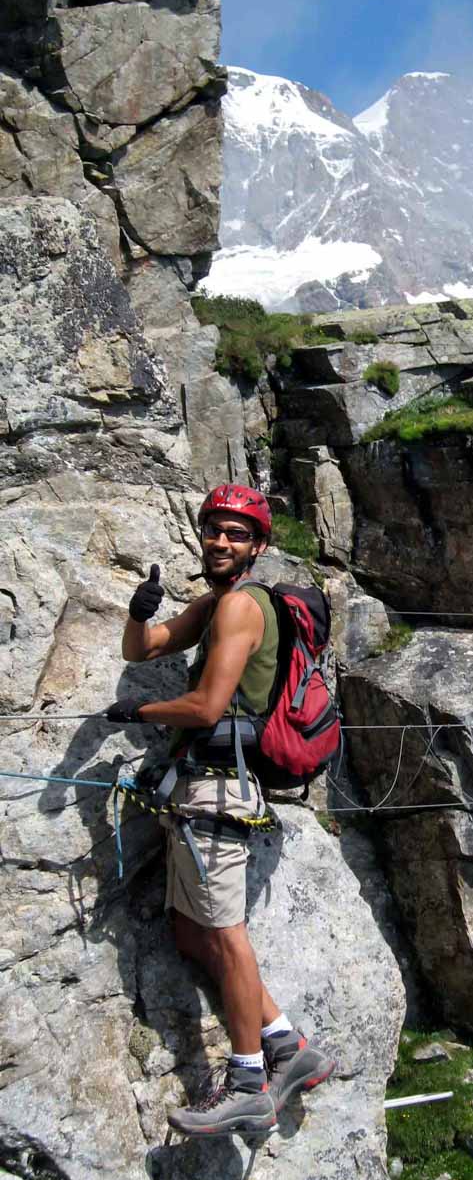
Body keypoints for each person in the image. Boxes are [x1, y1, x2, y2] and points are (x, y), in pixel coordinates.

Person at [106, 483, 334, 1136]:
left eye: (236, 534)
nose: (222, 542)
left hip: (218, 789)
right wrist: (138, 613)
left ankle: (248, 1082)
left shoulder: (242, 610)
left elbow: (206, 708)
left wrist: (139, 711)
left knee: (226, 936)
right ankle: (289, 1047)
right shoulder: (217, 602)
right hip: (200, 785)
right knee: (190, 931)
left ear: (257, 547)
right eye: (215, 531)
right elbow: (142, 649)